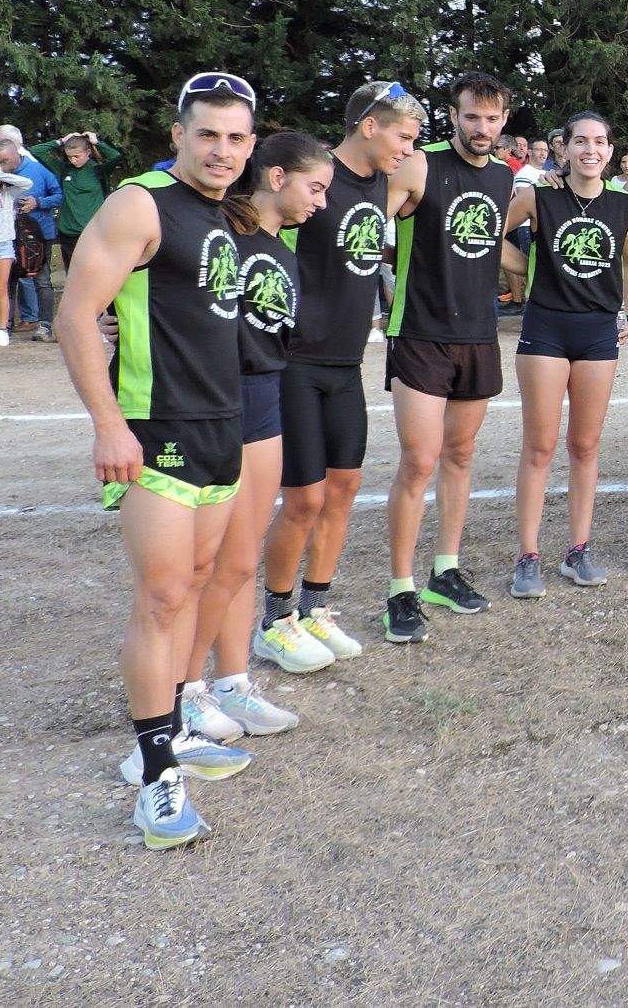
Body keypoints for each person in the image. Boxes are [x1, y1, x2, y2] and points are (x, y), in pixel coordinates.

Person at [58, 72, 259, 848]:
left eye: (237, 137)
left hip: (220, 427)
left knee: (197, 585)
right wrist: (107, 425)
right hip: (154, 429)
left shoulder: (221, 213)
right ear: (178, 134)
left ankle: (171, 731)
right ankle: (154, 777)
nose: (222, 149)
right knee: (163, 597)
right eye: (208, 133)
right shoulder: (140, 203)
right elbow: (78, 314)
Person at [254, 82, 425, 678]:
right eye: (403, 136)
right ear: (370, 126)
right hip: (296, 358)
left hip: (347, 363)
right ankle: (275, 620)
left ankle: (315, 605)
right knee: (304, 498)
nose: (409, 149)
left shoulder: (384, 183)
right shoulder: (314, 181)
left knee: (346, 486)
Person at [181, 132, 334, 743]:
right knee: (203, 563)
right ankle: (184, 692)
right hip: (216, 400)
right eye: (314, 187)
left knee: (243, 558)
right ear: (276, 177)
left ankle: (231, 682)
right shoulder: (222, 228)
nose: (321, 202)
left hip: (266, 395)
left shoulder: (281, 245)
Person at [379, 72, 516, 642]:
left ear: (503, 121)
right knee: (419, 461)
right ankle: (400, 588)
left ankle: (444, 570)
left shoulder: (506, 180)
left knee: (460, 456)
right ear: (453, 116)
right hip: (420, 332)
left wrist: (542, 273)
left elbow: (494, 244)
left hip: (479, 334)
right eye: (471, 117)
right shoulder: (420, 166)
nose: (481, 128)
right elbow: (366, 226)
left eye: (491, 118)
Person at [500, 112, 628, 596]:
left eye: (600, 142)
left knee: (585, 446)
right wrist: (526, 270)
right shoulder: (539, 195)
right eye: (581, 141)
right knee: (540, 446)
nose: (590, 150)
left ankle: (578, 549)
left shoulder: (625, 204)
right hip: (547, 328)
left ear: (609, 149)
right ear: (564, 148)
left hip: (598, 333)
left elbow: (625, 262)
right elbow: (486, 231)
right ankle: (528, 555)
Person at [0, 125, 62, 339]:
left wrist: (38, 202)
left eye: (5, 161)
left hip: (38, 234)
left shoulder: (37, 170)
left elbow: (59, 195)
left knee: (42, 280)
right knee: (8, 281)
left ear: (15, 151)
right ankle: (6, 323)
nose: (3, 165)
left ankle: (44, 324)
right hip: (7, 236)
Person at [39, 130, 126, 286]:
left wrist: (96, 142)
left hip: (93, 232)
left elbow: (116, 156)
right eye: (69, 156)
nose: (73, 160)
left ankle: (100, 310)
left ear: (88, 153)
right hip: (67, 233)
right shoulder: (64, 169)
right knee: (74, 280)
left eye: (77, 156)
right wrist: (60, 141)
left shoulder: (98, 170)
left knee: (97, 278)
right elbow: (37, 151)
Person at [0, 140, 35, 347]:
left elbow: (27, 184)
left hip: (2, 245)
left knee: (1, 287)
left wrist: (0, 174)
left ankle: (2, 329)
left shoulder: (8, 192)